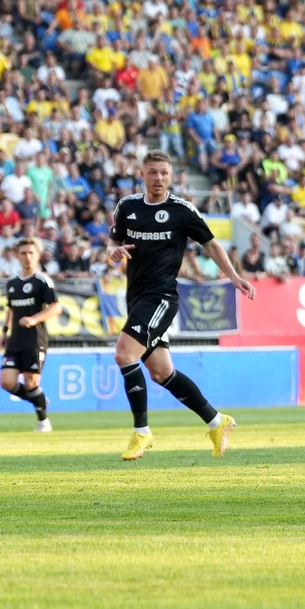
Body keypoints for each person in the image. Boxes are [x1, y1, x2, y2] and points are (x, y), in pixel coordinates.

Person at [107, 151, 257, 461]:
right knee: (162, 373)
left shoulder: (181, 210)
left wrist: (233, 276)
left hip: (161, 297)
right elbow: (114, 240)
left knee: (124, 354)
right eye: (152, 172)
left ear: (171, 176)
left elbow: (211, 244)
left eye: (163, 173)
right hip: (135, 296)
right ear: (142, 175)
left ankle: (141, 432)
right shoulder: (128, 207)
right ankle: (217, 422)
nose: (158, 178)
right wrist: (115, 250)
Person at [0, 238, 61, 432]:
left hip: (35, 340)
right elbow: (11, 309)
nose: (27, 257)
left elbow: (56, 307)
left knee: (31, 383)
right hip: (15, 340)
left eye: (31, 253)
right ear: (17, 256)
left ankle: (43, 421)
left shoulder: (42, 281)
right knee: (6, 381)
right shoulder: (12, 282)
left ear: (38, 255)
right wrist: (4, 331)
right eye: (23, 253)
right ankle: (40, 399)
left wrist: (34, 319)